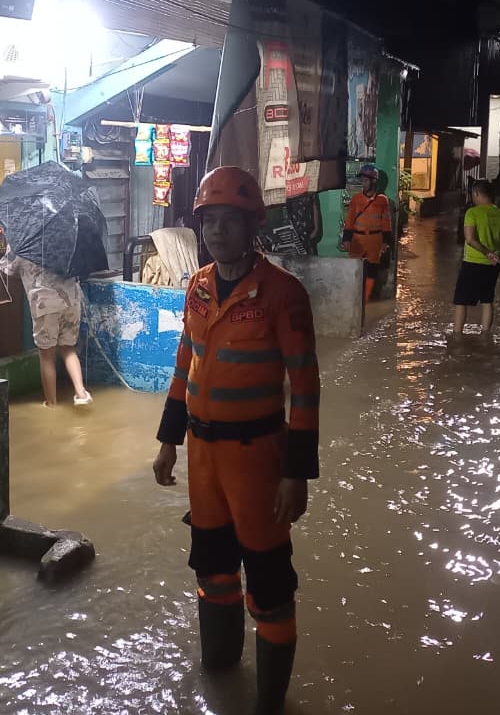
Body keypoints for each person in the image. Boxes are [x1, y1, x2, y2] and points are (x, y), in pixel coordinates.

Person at [152, 166, 320, 714]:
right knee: (212, 568)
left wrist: (296, 474)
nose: (217, 231)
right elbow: (185, 365)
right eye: (209, 220)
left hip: (258, 461)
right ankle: (220, 677)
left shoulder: (283, 295)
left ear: (253, 225)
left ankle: (270, 702)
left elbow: (306, 387)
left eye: (229, 220)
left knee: (269, 582)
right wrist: (167, 441)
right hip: (202, 458)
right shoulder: (197, 287)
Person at [0, 248, 93, 407]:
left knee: (47, 355)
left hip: (45, 304)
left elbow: (2, 271)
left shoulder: (22, 244)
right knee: (68, 349)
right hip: (71, 300)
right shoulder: (64, 239)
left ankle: (51, 404)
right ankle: (81, 394)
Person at [453, 179, 500, 337]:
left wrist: (486, 252)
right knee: (487, 299)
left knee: (461, 300)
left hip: (473, 262)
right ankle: (485, 336)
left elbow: (469, 239)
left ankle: (457, 335)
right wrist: (493, 254)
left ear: (476, 194)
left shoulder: (472, 213)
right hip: (494, 264)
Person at [339, 164, 392, 303]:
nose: (363, 182)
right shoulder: (356, 199)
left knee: (372, 271)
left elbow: (386, 222)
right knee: (355, 270)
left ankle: (365, 302)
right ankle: (355, 299)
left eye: (366, 180)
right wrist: (346, 240)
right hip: (357, 240)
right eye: (362, 179)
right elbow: (349, 220)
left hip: (375, 241)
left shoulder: (382, 200)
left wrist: (386, 242)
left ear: (374, 180)